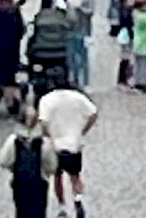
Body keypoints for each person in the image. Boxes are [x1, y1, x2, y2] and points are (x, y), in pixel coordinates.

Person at [34, 84, 98, 218]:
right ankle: (78, 200)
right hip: (74, 143)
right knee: (75, 177)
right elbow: (93, 113)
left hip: (55, 146)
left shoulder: (47, 100)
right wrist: (83, 130)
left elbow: (43, 123)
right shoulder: (78, 97)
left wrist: (49, 136)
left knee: (58, 178)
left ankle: (62, 206)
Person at [1, 98, 60, 218]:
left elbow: (4, 161)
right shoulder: (44, 142)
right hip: (39, 183)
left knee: (21, 211)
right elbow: (52, 166)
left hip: (20, 182)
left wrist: (14, 168)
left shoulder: (13, 140)